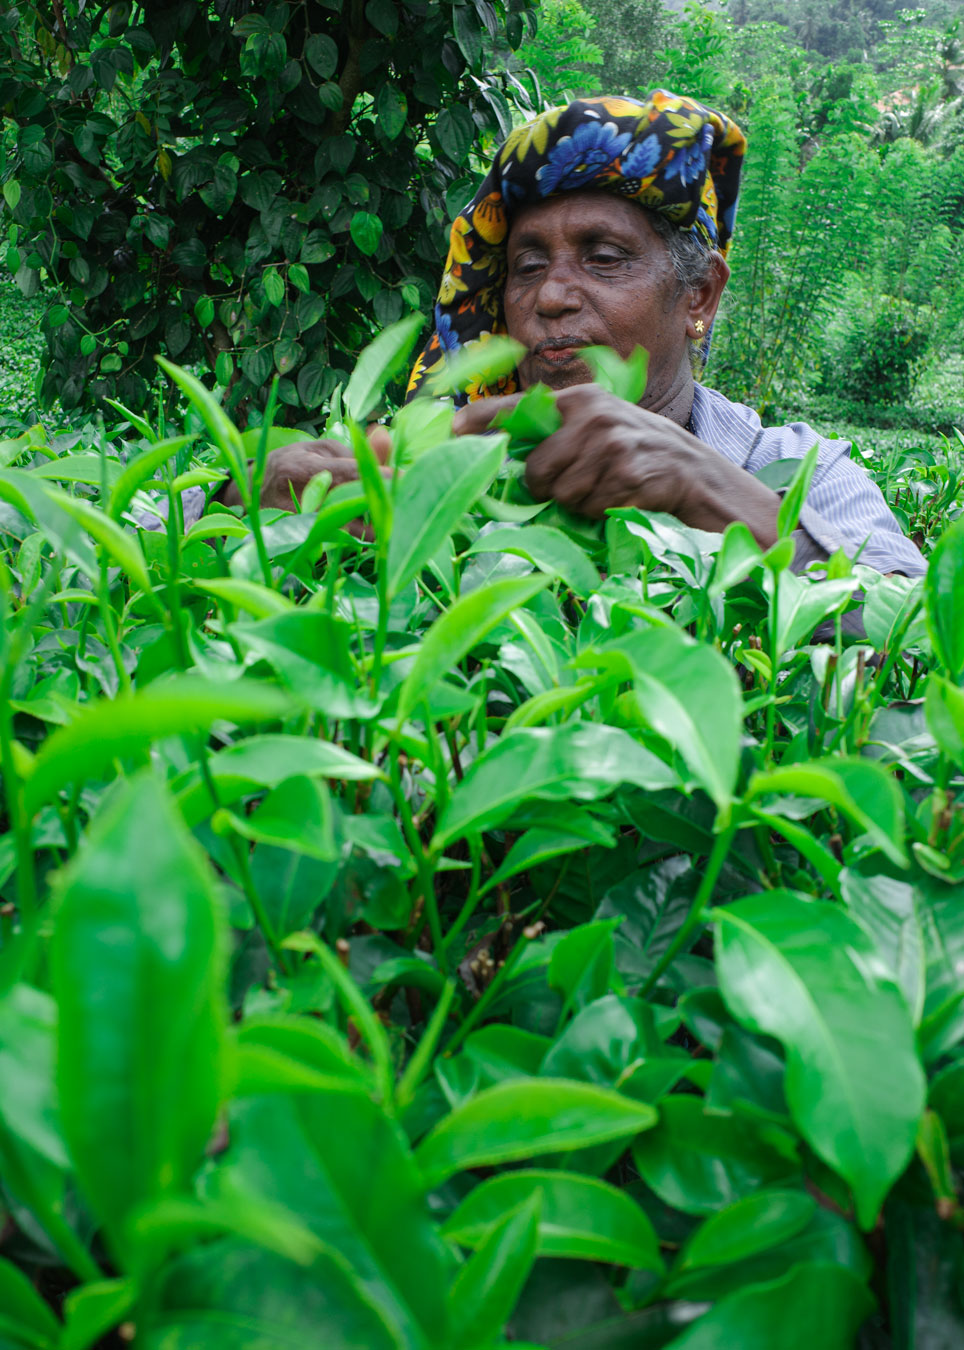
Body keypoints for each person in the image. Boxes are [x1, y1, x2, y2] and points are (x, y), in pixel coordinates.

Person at [233, 91, 926, 578]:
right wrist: (253, 499)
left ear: (700, 295)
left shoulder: (798, 469)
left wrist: (705, 490)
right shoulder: (446, 455)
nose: (551, 297)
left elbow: (916, 628)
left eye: (605, 258)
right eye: (528, 265)